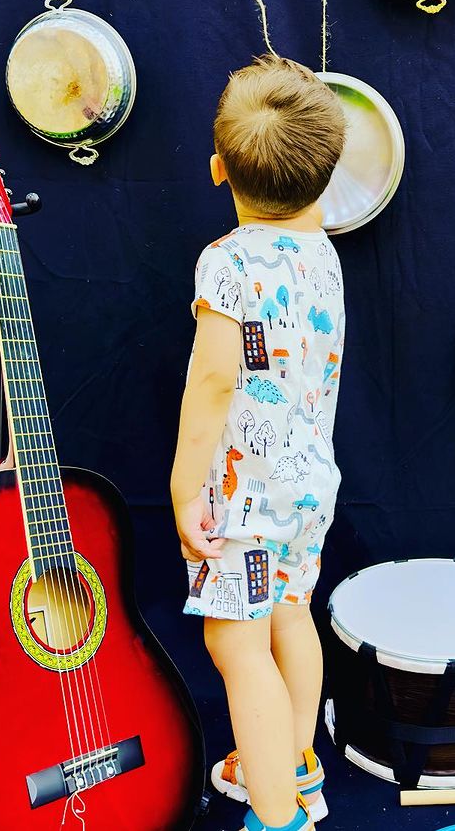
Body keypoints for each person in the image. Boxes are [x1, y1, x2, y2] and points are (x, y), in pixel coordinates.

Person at [171, 55, 347, 831]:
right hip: (309, 486)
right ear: (328, 175)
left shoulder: (228, 262)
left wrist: (185, 487)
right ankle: (291, 763)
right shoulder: (323, 254)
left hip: (245, 499)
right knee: (291, 615)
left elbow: (214, 381)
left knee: (238, 646)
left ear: (219, 168)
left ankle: (278, 817)